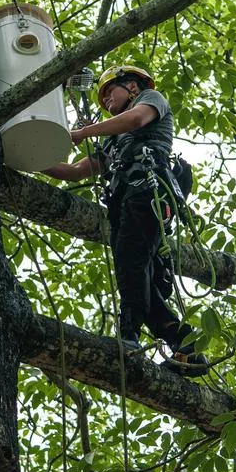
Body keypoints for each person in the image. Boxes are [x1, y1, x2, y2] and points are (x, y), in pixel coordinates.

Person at [44, 65, 208, 376]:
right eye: (102, 96)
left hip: (148, 191)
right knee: (139, 280)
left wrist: (83, 132)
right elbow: (76, 171)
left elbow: (136, 119)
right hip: (125, 203)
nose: (106, 100)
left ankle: (128, 338)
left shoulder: (150, 99)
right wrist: (31, 156)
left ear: (132, 88)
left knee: (131, 264)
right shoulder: (112, 140)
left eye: (110, 92)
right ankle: (185, 346)